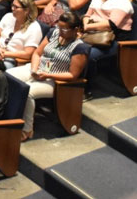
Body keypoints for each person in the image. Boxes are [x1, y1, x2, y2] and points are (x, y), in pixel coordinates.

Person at [7, 12, 88, 140]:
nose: (61, 31)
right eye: (59, 27)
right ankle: (8, 118)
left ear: (76, 29)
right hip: (37, 69)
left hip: (54, 81)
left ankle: (27, 129)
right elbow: (37, 54)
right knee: (8, 76)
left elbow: (73, 75)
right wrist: (34, 69)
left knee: (27, 91)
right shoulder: (54, 32)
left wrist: (47, 75)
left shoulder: (80, 47)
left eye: (64, 29)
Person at [0, 0, 43, 68]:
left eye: (16, 7)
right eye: (12, 5)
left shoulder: (34, 28)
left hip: (13, 59)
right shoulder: (8, 16)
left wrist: (6, 54)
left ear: (26, 10)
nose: (12, 8)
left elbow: (28, 53)